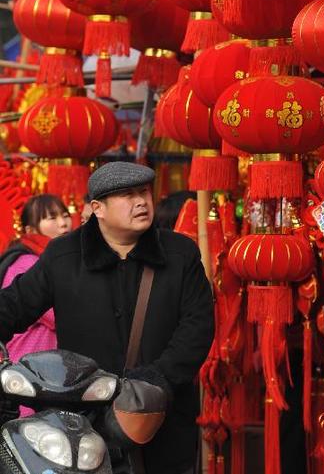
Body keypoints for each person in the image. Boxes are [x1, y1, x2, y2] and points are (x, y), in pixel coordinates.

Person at [0, 161, 215, 474]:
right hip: (83, 424)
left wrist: (158, 380)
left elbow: (197, 326)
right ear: (97, 208)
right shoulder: (63, 256)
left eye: (144, 192)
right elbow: (15, 304)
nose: (141, 202)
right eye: (128, 195)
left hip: (161, 418)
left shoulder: (181, 253)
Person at [1, 194, 72, 362]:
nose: (63, 223)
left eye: (65, 215)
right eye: (52, 218)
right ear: (30, 230)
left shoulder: (62, 257)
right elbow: (63, 314)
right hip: (28, 366)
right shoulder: (27, 263)